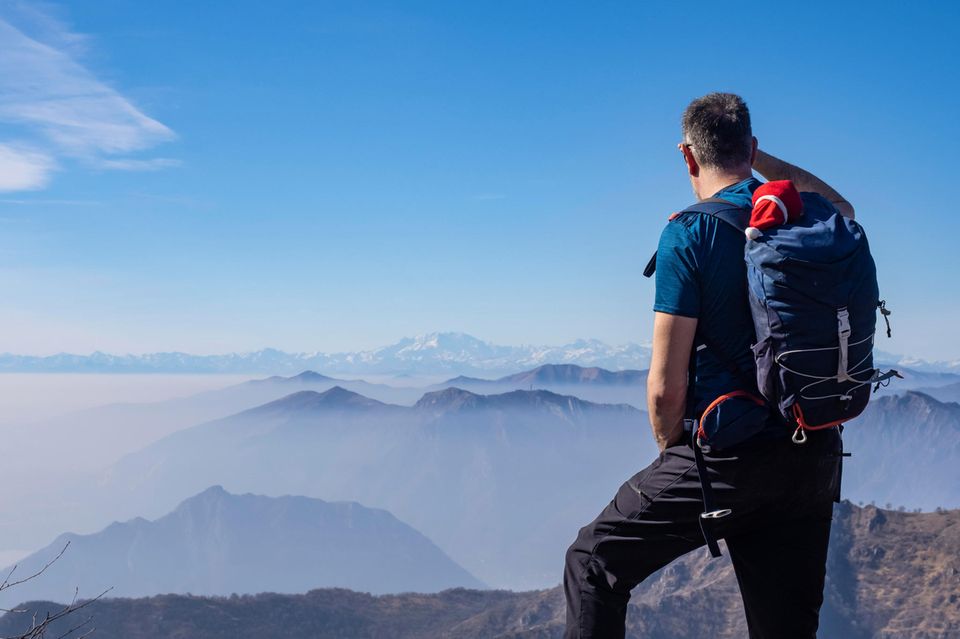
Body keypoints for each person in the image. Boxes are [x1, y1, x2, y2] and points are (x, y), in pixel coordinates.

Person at [562, 93, 850, 639]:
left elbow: (666, 387)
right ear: (752, 148)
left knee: (592, 562)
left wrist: (674, 454)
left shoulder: (689, 232)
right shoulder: (803, 216)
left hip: (727, 458)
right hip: (812, 455)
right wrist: (758, 161)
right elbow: (844, 205)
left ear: (687, 157)